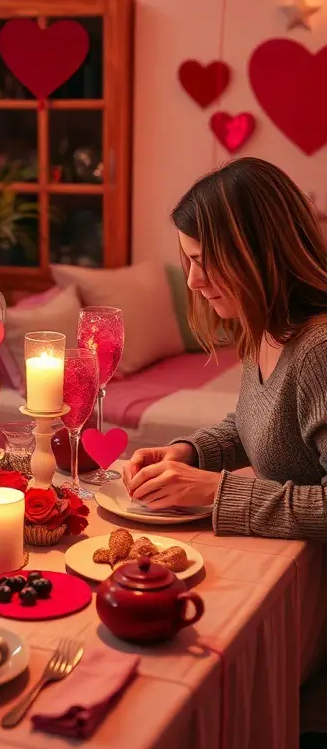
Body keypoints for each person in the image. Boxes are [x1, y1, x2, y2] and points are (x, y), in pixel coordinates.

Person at [122, 157, 327, 540]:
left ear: (260, 252)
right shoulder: (265, 327)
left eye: (205, 261)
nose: (194, 281)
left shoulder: (318, 349)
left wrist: (214, 491)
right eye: (189, 261)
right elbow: (262, 427)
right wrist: (189, 453)